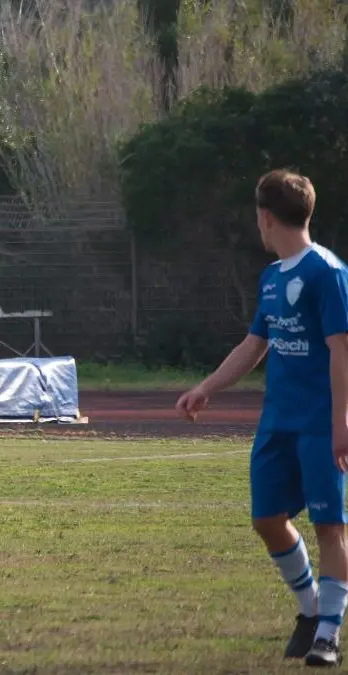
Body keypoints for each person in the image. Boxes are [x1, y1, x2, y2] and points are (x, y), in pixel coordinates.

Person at [177, 169, 348, 667]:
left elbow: (342, 351)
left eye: (257, 219)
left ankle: (328, 636)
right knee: (266, 520)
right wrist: (205, 387)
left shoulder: (328, 273)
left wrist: (342, 421)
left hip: (319, 424)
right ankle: (311, 609)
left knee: (329, 525)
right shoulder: (271, 278)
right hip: (277, 422)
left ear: (266, 218)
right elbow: (255, 344)